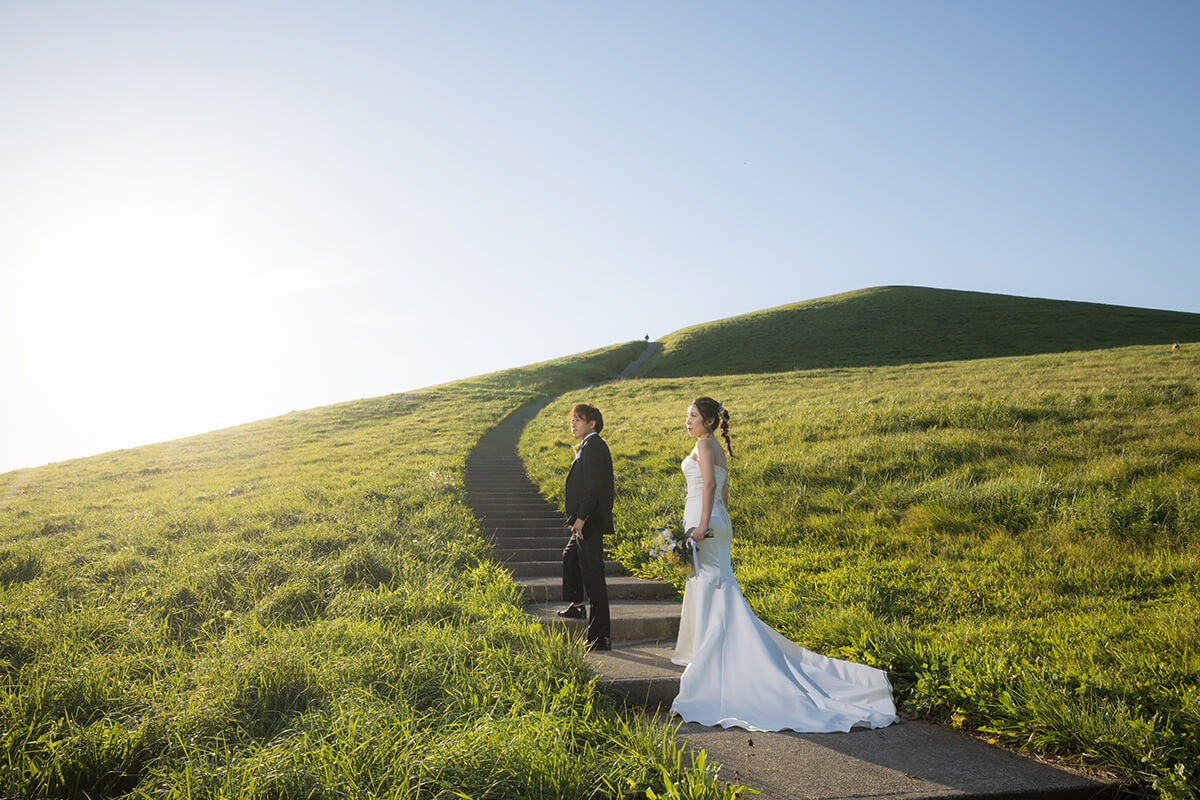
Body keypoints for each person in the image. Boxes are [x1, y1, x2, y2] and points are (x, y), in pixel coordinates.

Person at [670, 397, 897, 732]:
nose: (686, 421)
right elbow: (724, 493)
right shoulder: (715, 446)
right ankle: (714, 655)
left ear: (707, 422)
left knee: (713, 587)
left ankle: (710, 662)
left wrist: (703, 525)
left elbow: (713, 485)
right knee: (718, 588)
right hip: (717, 522)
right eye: (686, 416)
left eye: (692, 416)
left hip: (707, 525)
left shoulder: (705, 446)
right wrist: (720, 521)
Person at [558, 403, 613, 651]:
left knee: (594, 577)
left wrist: (581, 518)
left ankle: (600, 636)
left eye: (578, 420)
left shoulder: (593, 446)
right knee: (570, 556)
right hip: (584, 520)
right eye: (572, 420)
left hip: (588, 522)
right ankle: (577, 605)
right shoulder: (588, 446)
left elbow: (593, 487)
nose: (573, 424)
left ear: (592, 423)